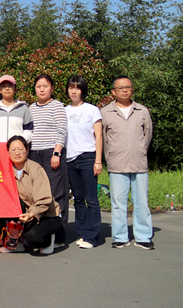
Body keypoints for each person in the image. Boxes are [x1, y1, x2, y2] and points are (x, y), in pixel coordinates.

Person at [100, 76, 154, 250]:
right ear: (113, 92)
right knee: (118, 203)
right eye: (120, 88)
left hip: (139, 162)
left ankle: (143, 236)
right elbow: (102, 138)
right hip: (117, 163)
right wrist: (108, 156)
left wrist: (140, 150)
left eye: (128, 87)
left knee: (141, 202)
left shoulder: (142, 111)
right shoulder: (105, 112)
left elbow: (147, 135)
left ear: (132, 90)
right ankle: (120, 237)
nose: (124, 90)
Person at [0, 136, 62, 255]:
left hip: (46, 214)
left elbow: (44, 199)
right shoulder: (6, 170)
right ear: (8, 152)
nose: (17, 153)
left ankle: (48, 239)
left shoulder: (36, 170)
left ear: (27, 151)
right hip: (25, 212)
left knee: (32, 238)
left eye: (20, 149)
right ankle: (16, 243)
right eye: (13, 150)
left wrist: (31, 214)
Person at [28, 73, 69, 244]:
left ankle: (59, 235)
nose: (42, 89)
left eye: (45, 86)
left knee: (56, 194)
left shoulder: (57, 106)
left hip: (52, 153)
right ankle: (42, 232)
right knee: (38, 194)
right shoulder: (31, 108)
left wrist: (56, 153)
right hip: (34, 154)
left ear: (52, 88)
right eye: (39, 86)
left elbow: (62, 130)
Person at [65, 76, 103, 249]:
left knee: (91, 199)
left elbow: (99, 136)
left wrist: (98, 160)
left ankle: (92, 236)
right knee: (78, 198)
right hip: (70, 159)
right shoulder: (64, 110)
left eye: (77, 87)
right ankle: (81, 233)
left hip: (88, 158)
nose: (74, 91)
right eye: (71, 87)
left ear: (83, 90)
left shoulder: (92, 110)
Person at [0, 75, 34, 143]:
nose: (7, 88)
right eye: (3, 86)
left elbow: (29, 131)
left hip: (18, 148)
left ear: (15, 89)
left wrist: (20, 141)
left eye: (10, 86)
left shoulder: (24, 109)